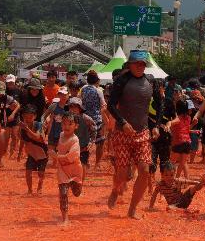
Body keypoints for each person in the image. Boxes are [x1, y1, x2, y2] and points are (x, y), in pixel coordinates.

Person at [106, 49, 158, 219]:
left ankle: (132, 209)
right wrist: (122, 122)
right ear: (130, 64)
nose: (140, 67)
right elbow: (111, 106)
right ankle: (115, 190)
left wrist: (156, 125)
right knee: (123, 175)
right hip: (122, 133)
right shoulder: (121, 81)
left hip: (142, 132)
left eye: (143, 64)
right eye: (137, 63)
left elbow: (160, 103)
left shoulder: (150, 81)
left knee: (144, 170)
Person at [54, 113, 84, 226]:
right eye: (64, 123)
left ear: (76, 126)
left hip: (75, 169)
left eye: (70, 124)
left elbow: (70, 157)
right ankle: (65, 218)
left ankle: (76, 184)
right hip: (62, 169)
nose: (66, 126)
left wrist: (55, 156)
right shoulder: (61, 135)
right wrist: (55, 158)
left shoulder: (75, 140)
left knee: (76, 193)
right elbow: (60, 150)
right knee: (63, 193)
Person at [80, 71, 107, 168]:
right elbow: (103, 105)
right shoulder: (98, 91)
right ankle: (97, 163)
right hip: (96, 120)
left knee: (84, 141)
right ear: (97, 81)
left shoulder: (83, 89)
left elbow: (80, 101)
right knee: (100, 142)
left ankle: (85, 161)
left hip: (85, 119)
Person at [20, 105, 48, 195]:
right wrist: (20, 152)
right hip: (32, 153)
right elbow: (23, 140)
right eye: (26, 117)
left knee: (41, 173)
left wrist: (27, 129)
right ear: (23, 117)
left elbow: (37, 138)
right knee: (28, 172)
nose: (28, 119)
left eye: (30, 117)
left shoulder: (38, 125)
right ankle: (30, 190)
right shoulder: (22, 127)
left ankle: (39, 187)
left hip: (42, 153)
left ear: (35, 116)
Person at [167, 99, 192, 179]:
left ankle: (170, 179)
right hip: (187, 142)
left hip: (178, 141)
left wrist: (168, 124)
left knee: (171, 162)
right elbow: (186, 129)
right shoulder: (189, 118)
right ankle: (177, 179)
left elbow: (172, 123)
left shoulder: (178, 118)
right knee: (182, 163)